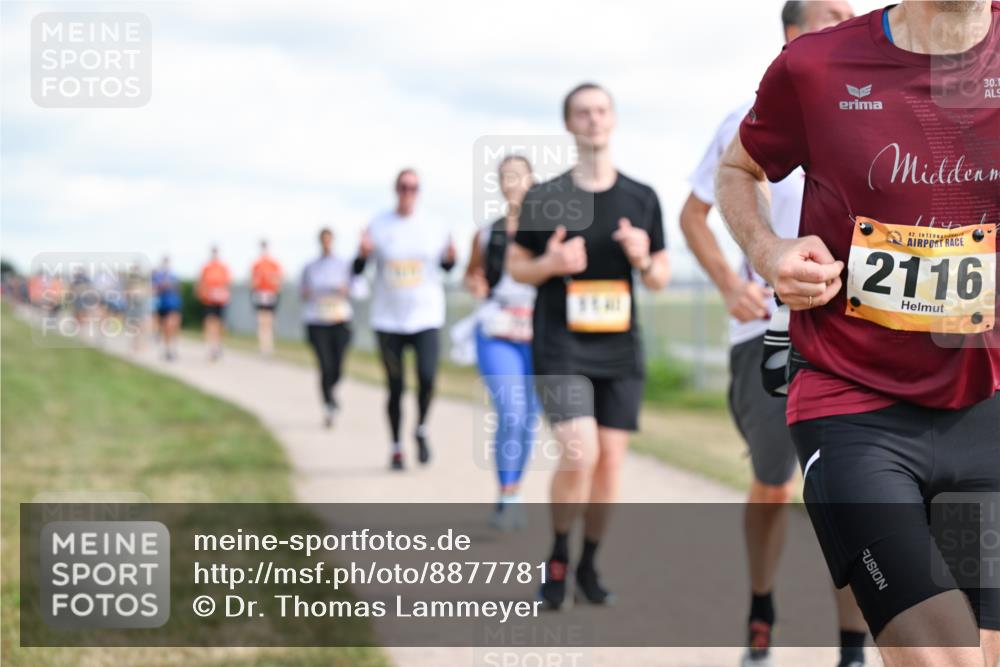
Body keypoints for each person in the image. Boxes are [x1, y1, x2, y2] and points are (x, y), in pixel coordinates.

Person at [717, 1, 999, 665]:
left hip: (985, 407)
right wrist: (769, 252)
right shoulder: (816, 66)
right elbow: (738, 171)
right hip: (852, 405)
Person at [680, 2, 867, 666]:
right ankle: (761, 609)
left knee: (852, 495)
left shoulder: (875, 111)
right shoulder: (750, 117)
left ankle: (852, 646)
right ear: (793, 35)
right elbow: (694, 213)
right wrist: (731, 285)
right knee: (772, 485)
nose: (851, 19)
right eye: (834, 13)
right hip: (770, 334)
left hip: (853, 337)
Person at [507, 83, 670, 609]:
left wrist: (642, 258)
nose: (593, 119)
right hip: (561, 345)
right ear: (569, 124)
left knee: (609, 464)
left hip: (619, 349)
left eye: (601, 110)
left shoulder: (642, 198)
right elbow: (516, 266)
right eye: (582, 113)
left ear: (613, 119)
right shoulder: (544, 197)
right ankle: (558, 559)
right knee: (581, 452)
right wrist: (550, 263)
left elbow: (660, 277)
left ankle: (589, 565)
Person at [353, 168, 456, 470]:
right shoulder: (378, 224)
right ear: (395, 189)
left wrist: (451, 258)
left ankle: (421, 428)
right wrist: (362, 254)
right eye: (403, 187)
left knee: (427, 377)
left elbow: (447, 266)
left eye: (413, 187)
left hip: (426, 316)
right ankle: (396, 447)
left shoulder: (434, 225)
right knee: (395, 386)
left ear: (419, 191)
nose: (408, 192)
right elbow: (358, 268)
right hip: (388, 320)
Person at [464, 155, 540, 530]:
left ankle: (514, 491)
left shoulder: (548, 231)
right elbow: (471, 275)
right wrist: (475, 284)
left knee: (528, 420)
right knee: (510, 411)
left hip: (538, 332)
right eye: (506, 177)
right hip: (497, 330)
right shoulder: (486, 233)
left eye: (519, 176)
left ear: (532, 181)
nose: (512, 183)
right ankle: (507, 493)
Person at [301, 228, 353, 428]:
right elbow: (302, 291)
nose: (326, 244)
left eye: (329, 240)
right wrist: (309, 292)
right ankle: (328, 404)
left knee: (338, 367)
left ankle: (331, 393)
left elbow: (358, 288)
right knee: (324, 365)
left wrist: (345, 289)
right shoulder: (310, 267)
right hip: (317, 321)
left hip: (339, 320)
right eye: (323, 240)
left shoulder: (344, 265)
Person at [197, 246, 231, 361]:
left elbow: (227, 283)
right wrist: (203, 293)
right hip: (209, 299)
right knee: (209, 321)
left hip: (220, 300)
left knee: (219, 323)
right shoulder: (206, 267)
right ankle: (210, 345)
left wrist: (224, 295)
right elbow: (201, 282)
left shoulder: (223, 267)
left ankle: (217, 344)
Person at [251, 239, 284, 356]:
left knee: (270, 321)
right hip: (260, 294)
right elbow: (252, 281)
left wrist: (274, 286)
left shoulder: (274, 264)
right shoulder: (257, 264)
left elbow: (279, 279)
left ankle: (269, 345)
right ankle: (262, 346)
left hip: (270, 294)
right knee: (261, 321)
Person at [151, 257, 182, 361]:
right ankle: (167, 348)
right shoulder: (158, 276)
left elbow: (178, 289)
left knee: (171, 326)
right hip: (162, 305)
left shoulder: (174, 276)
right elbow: (154, 290)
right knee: (165, 329)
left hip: (172, 305)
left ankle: (171, 349)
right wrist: (162, 286)